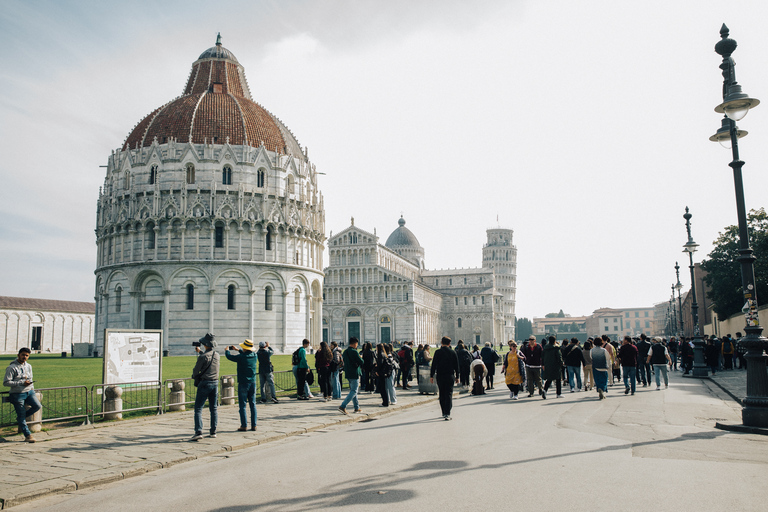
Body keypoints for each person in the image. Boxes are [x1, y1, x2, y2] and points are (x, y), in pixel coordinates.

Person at [3, 347, 41, 443]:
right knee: (21, 414)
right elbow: (6, 382)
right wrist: (21, 383)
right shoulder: (11, 368)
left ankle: (21, 418)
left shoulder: (29, 366)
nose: (24, 357)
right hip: (18, 394)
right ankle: (28, 435)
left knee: (37, 406)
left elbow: (30, 378)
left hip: (29, 392)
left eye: (27, 355)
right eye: (23, 355)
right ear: (18, 355)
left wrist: (32, 388)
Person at [191, 333, 220, 441]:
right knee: (213, 408)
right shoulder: (217, 355)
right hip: (215, 383)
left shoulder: (202, 357)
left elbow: (196, 370)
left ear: (206, 344)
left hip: (205, 383)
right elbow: (208, 357)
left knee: (198, 408)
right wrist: (200, 352)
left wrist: (195, 376)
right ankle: (213, 431)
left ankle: (198, 431)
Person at [225, 339, 258, 431]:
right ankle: (254, 425)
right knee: (253, 404)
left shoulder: (241, 357)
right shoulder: (255, 356)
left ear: (244, 348)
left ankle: (244, 425)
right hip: (253, 382)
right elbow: (246, 354)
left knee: (243, 405)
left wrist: (227, 350)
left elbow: (229, 357)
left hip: (243, 382)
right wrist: (237, 350)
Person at [430, 336, 460, 420]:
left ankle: (443, 412)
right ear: (449, 343)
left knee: (442, 394)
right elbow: (456, 366)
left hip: (440, 376)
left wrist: (431, 375)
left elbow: (434, 365)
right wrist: (458, 376)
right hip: (450, 376)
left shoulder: (437, 352)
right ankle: (447, 412)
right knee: (449, 394)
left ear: (441, 342)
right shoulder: (453, 352)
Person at [339, 337, 365, 414]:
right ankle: (343, 406)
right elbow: (361, 362)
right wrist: (361, 357)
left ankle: (356, 407)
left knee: (353, 390)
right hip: (355, 373)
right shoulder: (354, 352)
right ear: (354, 344)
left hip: (348, 373)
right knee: (354, 391)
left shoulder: (345, 352)